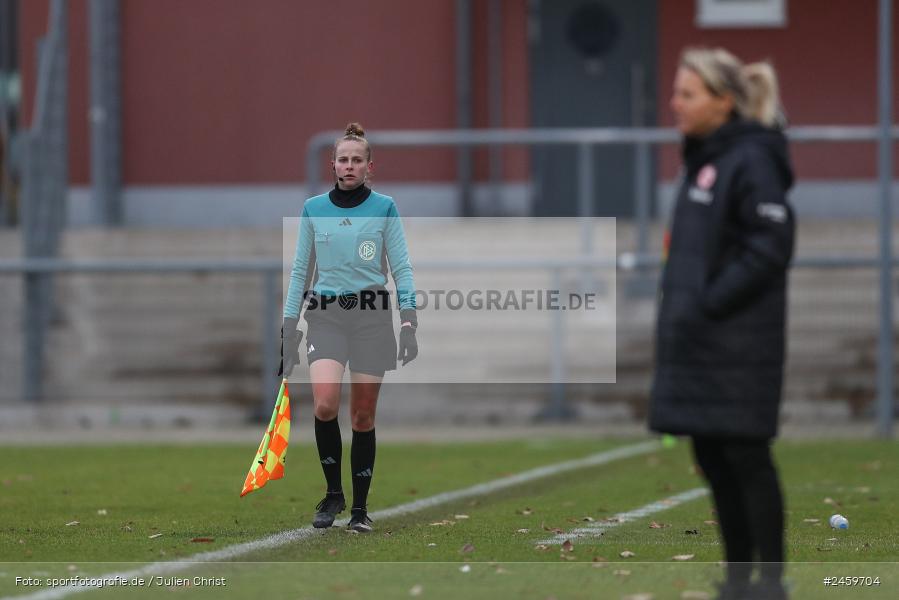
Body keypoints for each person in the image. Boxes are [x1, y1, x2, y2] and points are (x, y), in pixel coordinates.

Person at [649, 48, 795, 600]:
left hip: (737, 340)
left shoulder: (752, 159)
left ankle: (770, 583)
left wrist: (708, 303)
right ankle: (740, 582)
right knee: (712, 455)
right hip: (701, 340)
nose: (675, 103)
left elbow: (770, 245)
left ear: (722, 101)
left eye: (687, 94)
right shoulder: (704, 158)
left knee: (745, 456)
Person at [280, 122, 418, 533]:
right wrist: (289, 328)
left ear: (369, 166)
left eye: (357, 159)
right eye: (343, 159)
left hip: (372, 316)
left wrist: (409, 320)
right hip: (325, 315)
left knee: (361, 416)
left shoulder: (385, 207)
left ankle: (360, 509)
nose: (350, 165)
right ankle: (333, 493)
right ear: (333, 164)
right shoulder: (313, 209)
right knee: (324, 403)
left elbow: (402, 268)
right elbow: (301, 271)